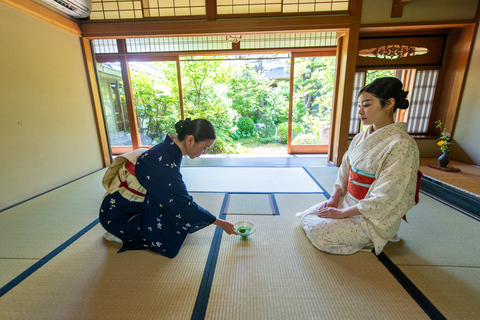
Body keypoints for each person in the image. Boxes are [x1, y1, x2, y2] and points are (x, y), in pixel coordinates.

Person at [296, 77, 421, 255]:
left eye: (366, 105)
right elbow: (345, 171)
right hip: (347, 201)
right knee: (306, 216)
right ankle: (344, 224)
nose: (360, 111)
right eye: (359, 105)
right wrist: (334, 198)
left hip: (370, 214)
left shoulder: (402, 144)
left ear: (389, 103)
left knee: (317, 232)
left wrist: (341, 214)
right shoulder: (361, 137)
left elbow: (388, 195)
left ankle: (378, 235)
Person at [99, 118, 237, 258]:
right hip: (120, 215)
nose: (204, 152)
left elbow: (173, 194)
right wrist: (220, 223)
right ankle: (120, 234)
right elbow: (184, 204)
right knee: (169, 238)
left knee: (178, 221)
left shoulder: (169, 146)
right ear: (190, 140)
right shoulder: (162, 164)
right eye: (204, 147)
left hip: (135, 204)